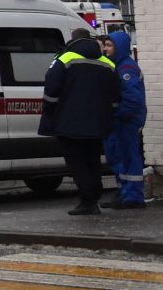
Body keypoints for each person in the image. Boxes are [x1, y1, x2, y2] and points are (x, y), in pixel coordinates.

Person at [41, 33, 120, 216]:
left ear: (72, 40)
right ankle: (93, 197)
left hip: (70, 122)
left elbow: (51, 89)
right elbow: (115, 96)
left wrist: (50, 111)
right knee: (92, 160)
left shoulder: (65, 59)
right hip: (98, 122)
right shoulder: (107, 63)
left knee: (77, 162)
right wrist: (109, 115)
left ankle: (88, 201)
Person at [101, 31, 148, 210]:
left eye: (109, 45)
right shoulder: (117, 65)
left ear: (118, 47)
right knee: (116, 156)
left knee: (128, 158)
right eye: (105, 45)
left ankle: (133, 197)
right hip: (119, 120)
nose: (105, 49)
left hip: (126, 121)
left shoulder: (126, 68)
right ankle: (124, 193)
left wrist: (119, 115)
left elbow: (132, 98)